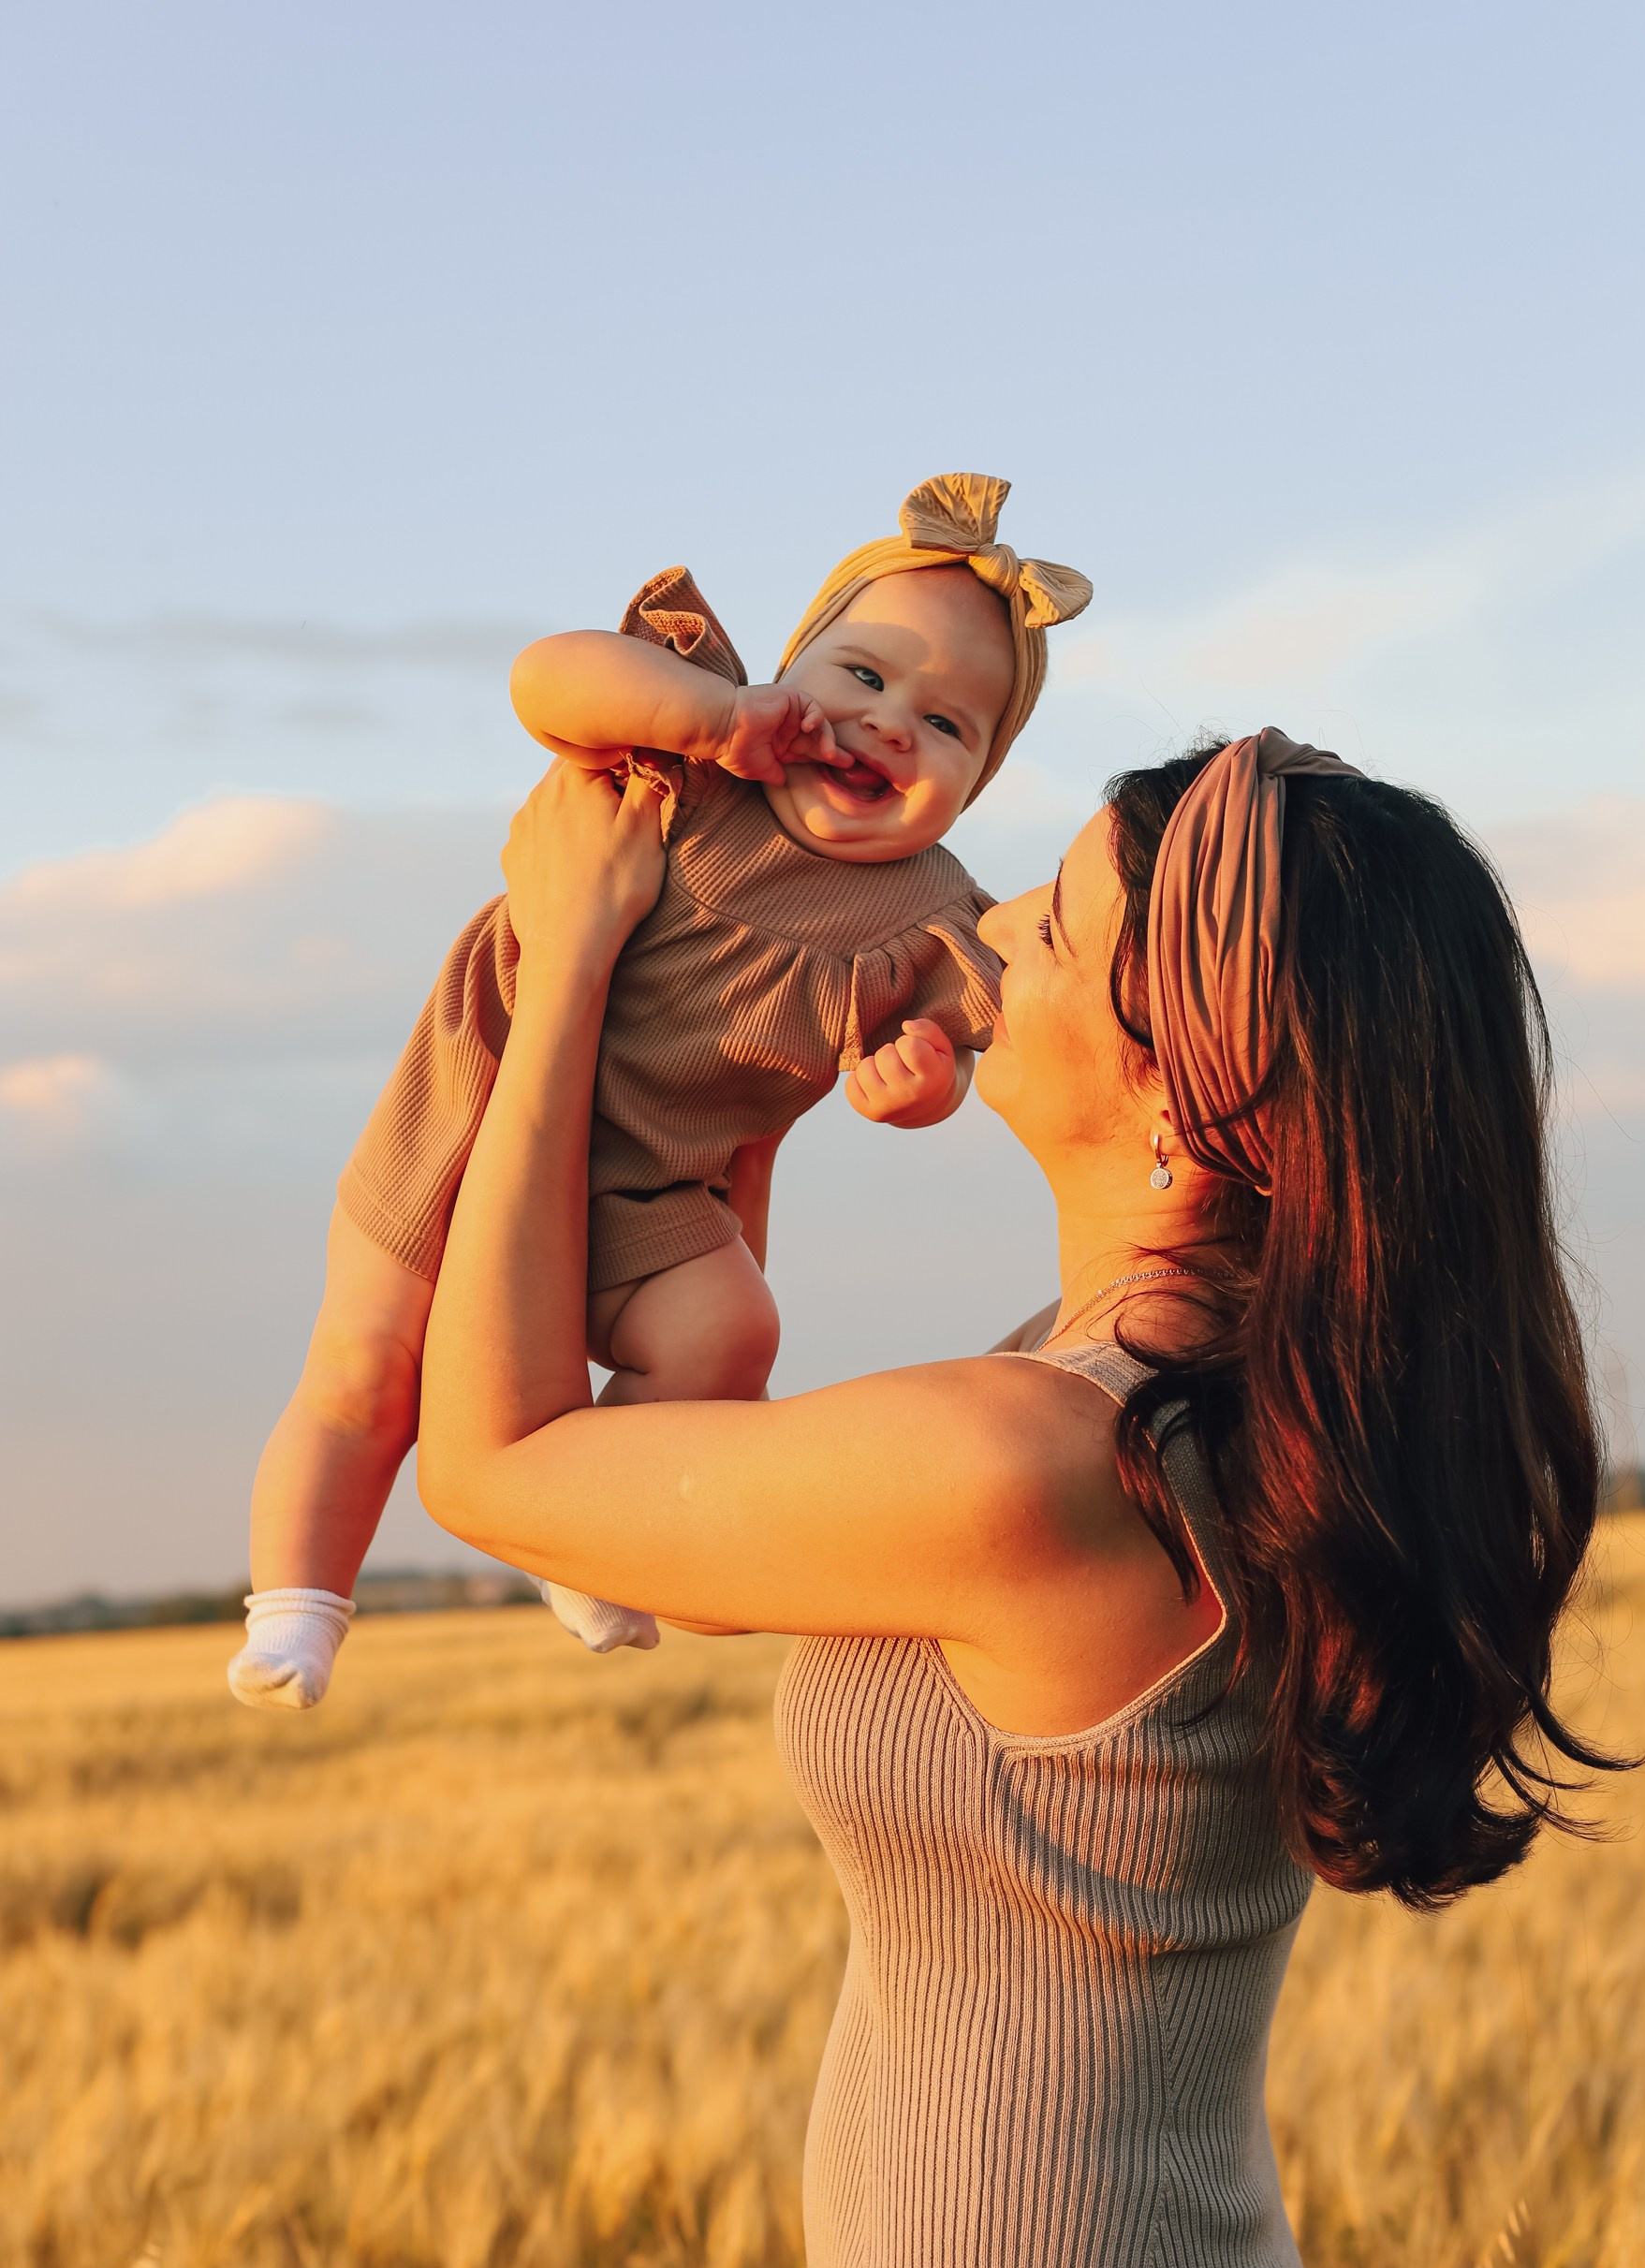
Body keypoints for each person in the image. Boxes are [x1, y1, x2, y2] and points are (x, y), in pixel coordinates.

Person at [415, 727, 1615, 2268]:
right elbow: (702, 1540)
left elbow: (499, 1463)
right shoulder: (1200, 1413)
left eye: (1051, 922)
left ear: (1190, 1081)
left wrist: (576, 958)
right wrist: (740, 1091)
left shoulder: (1030, 1467)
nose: (979, 928)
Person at [228, 474, 1091, 1705]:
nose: (891, 721)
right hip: (476, 1101)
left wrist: (918, 1086)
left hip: (651, 1178)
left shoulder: (933, 921)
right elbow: (546, 677)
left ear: (979, 782)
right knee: (369, 1362)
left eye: (949, 725)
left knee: (730, 1328)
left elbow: (969, 1042)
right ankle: (296, 1607)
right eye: (861, 675)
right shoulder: (692, 758)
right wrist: (714, 712)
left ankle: (593, 1520)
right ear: (788, 670)